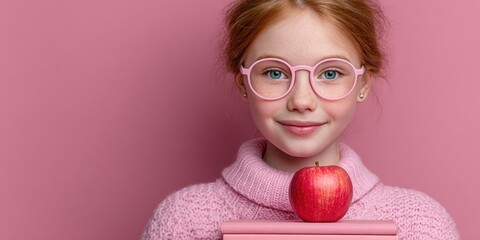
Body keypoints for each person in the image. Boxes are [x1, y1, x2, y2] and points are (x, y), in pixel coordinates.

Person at [141, 0, 459, 239]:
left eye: (331, 73)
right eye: (275, 73)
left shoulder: (420, 226)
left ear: (363, 84)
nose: (302, 101)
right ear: (242, 83)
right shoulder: (184, 222)